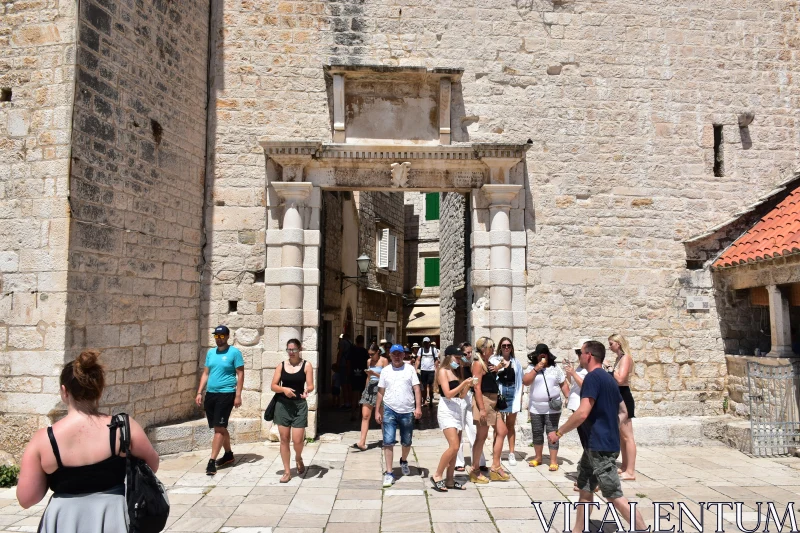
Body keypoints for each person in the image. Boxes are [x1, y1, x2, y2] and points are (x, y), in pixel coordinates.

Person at [17, 351, 159, 532]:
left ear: (64, 391)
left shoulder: (44, 439)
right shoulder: (123, 427)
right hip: (113, 516)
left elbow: (27, 498)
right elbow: (152, 465)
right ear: (99, 390)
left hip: (63, 519)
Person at [547, 341, 646, 533]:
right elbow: (623, 411)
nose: (579, 357)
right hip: (596, 446)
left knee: (613, 495)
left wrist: (558, 433)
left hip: (600, 446)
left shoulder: (592, 378)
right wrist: (609, 427)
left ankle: (643, 529)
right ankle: (577, 530)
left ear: (589, 355)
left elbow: (582, 413)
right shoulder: (609, 379)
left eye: (581, 353)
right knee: (585, 488)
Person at [196, 325, 244, 475]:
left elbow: (240, 374)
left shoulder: (234, 353)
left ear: (228, 336)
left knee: (218, 428)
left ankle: (211, 462)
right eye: (217, 336)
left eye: (222, 336)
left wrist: (238, 395)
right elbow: (205, 373)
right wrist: (199, 392)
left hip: (226, 394)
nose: (219, 338)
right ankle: (228, 455)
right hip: (211, 394)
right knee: (220, 428)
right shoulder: (211, 353)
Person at [376, 344, 422, 487]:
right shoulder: (385, 371)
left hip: (407, 410)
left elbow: (417, 388)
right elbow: (380, 391)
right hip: (389, 409)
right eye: (394, 354)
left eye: (399, 354)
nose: (397, 356)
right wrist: (378, 410)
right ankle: (389, 473)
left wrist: (418, 407)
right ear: (390, 355)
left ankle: (403, 460)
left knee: (406, 441)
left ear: (404, 355)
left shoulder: (410, 370)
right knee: (388, 441)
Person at [271, 338, 314, 483]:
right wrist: (284, 389)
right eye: (289, 350)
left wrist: (307, 390)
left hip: (299, 405)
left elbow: (311, 385)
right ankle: (287, 472)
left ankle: (298, 457)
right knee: (284, 439)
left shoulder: (307, 365)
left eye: (294, 350)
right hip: (283, 405)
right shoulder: (281, 366)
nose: (291, 352)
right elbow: (273, 386)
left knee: (297, 440)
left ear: (299, 349)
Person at [430, 345, 474, 492]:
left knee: (457, 447)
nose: (459, 360)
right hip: (446, 409)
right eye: (457, 357)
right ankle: (437, 475)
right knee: (454, 445)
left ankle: (450, 479)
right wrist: (463, 383)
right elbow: (448, 393)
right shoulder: (443, 371)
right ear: (449, 357)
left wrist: (468, 385)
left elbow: (461, 395)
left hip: (457, 408)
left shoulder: (456, 371)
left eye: (460, 358)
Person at [522, 343, 569, 471]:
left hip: (552, 407)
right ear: (536, 357)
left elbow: (563, 384)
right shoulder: (532, 367)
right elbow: (526, 381)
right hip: (536, 407)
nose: (542, 357)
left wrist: (568, 397)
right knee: (537, 432)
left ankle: (553, 461)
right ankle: (538, 457)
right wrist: (537, 368)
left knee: (552, 432)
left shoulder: (555, 368)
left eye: (545, 354)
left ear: (548, 356)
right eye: (540, 355)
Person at [470, 336, 509, 484]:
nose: (493, 349)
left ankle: (495, 466)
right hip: (485, 401)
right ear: (484, 349)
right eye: (491, 347)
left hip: (493, 401)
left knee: (502, 431)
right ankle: (475, 470)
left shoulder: (487, 363)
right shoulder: (478, 364)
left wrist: (498, 368)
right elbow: (477, 387)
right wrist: (481, 409)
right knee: (482, 436)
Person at [608, 333, 637, 480]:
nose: (609, 346)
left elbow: (620, 379)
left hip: (623, 396)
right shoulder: (619, 359)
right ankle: (625, 466)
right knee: (622, 436)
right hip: (617, 396)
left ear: (618, 344)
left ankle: (631, 471)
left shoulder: (626, 358)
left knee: (628, 436)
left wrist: (609, 368)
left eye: (611, 343)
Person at [455, 342, 486, 473]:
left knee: (474, 429)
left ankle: (479, 460)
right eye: (465, 353)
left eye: (470, 352)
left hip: (470, 397)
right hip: (459, 398)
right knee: (458, 430)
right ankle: (458, 461)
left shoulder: (473, 364)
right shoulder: (455, 366)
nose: (468, 355)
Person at [492, 337, 523, 466]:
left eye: (508, 345)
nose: (506, 348)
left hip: (512, 393)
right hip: (499, 394)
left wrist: (520, 398)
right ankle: (496, 454)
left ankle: (511, 453)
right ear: (500, 347)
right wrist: (499, 366)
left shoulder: (516, 362)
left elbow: (520, 381)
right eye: (504, 345)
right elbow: (492, 374)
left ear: (511, 348)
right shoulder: (494, 360)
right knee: (498, 427)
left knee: (510, 425)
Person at [354, 343, 387, 451]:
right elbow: (368, 377)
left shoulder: (384, 361)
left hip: (381, 389)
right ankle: (362, 442)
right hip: (370, 388)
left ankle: (386, 441)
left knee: (381, 417)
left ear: (378, 352)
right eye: (369, 354)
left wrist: (375, 374)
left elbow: (387, 377)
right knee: (365, 416)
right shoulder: (369, 362)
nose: (370, 357)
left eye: (372, 354)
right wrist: (365, 389)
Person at [566, 340, 591, 412]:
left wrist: (573, 373)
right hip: (575, 403)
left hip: (581, 404)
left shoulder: (590, 367)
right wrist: (569, 372)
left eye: (579, 353)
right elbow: (572, 382)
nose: (578, 355)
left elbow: (586, 387)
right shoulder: (580, 366)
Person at [415, 337, 439, 407]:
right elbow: (418, 359)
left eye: (427, 342)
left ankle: (431, 399)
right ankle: (424, 400)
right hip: (423, 370)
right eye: (424, 343)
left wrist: (436, 369)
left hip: (431, 370)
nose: (425, 344)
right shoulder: (421, 350)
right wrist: (416, 369)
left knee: (430, 386)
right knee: (424, 386)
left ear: (429, 343)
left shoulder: (433, 350)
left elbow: (436, 360)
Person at [350, 335, 370, 417]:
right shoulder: (365, 351)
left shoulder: (352, 351)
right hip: (362, 374)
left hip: (354, 373)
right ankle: (361, 414)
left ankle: (353, 413)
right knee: (362, 394)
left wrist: (349, 372)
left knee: (354, 394)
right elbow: (368, 363)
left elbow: (348, 362)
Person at [337, 333, 353, 410]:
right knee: (349, 384)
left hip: (343, 365)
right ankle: (350, 401)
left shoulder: (343, 343)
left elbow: (340, 353)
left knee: (343, 384)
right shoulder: (350, 343)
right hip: (349, 365)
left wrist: (337, 363)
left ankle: (346, 402)